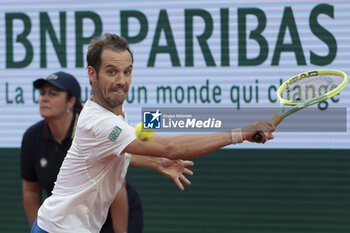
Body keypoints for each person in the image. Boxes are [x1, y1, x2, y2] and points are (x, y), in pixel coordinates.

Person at [32, 33, 274, 233]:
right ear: (92, 74)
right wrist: (240, 134)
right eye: (111, 71)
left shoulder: (108, 115)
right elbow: (172, 148)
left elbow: (111, 155)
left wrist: (155, 162)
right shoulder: (100, 123)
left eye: (127, 71)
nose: (121, 81)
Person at [20, 71, 142, 233]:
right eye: (42, 93)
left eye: (53, 94)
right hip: (68, 223)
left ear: (71, 102)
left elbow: (118, 191)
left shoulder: (91, 129)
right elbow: (30, 192)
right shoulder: (32, 137)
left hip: (112, 218)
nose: (44, 98)